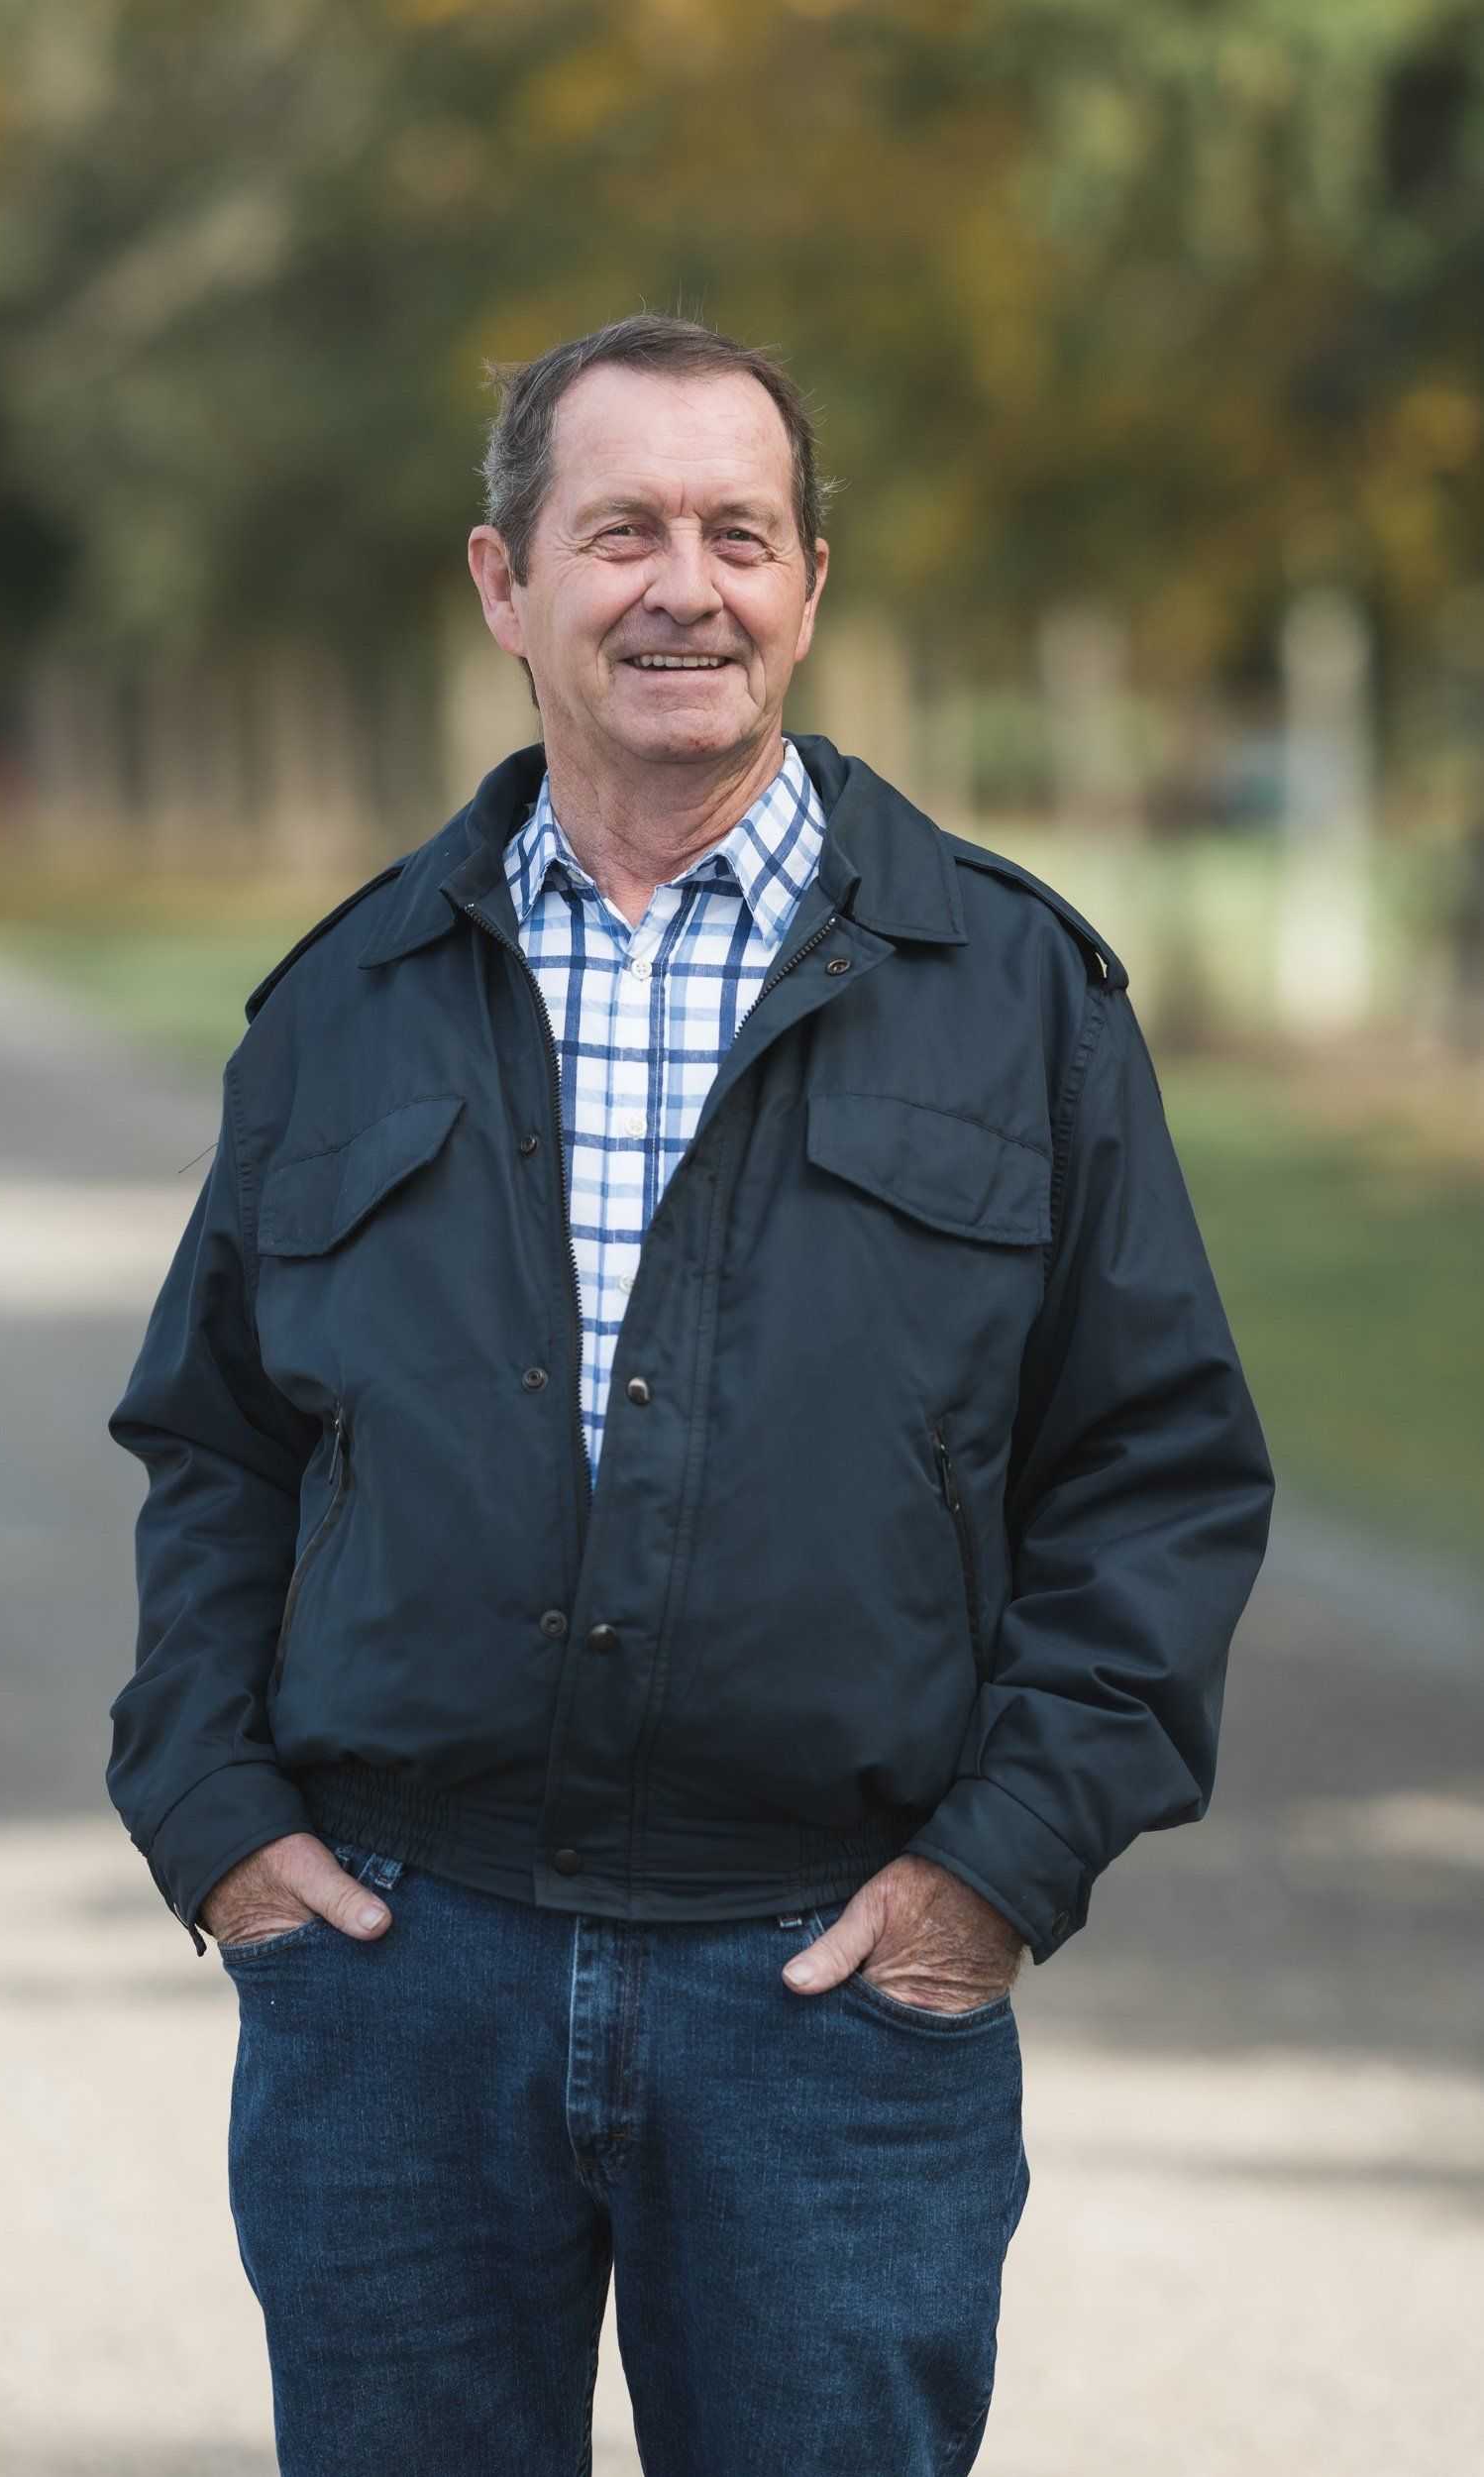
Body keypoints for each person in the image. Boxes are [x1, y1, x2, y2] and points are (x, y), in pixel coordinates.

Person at [106, 312, 1275, 2476]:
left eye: (741, 532)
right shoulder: (345, 999)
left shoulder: (1016, 990)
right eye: (621, 528)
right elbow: (218, 1447)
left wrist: (991, 1871)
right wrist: (221, 1825)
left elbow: (1160, 1471)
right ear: (503, 583)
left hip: (832, 1997)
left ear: (811, 585)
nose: (686, 585)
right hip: (395, 1982)